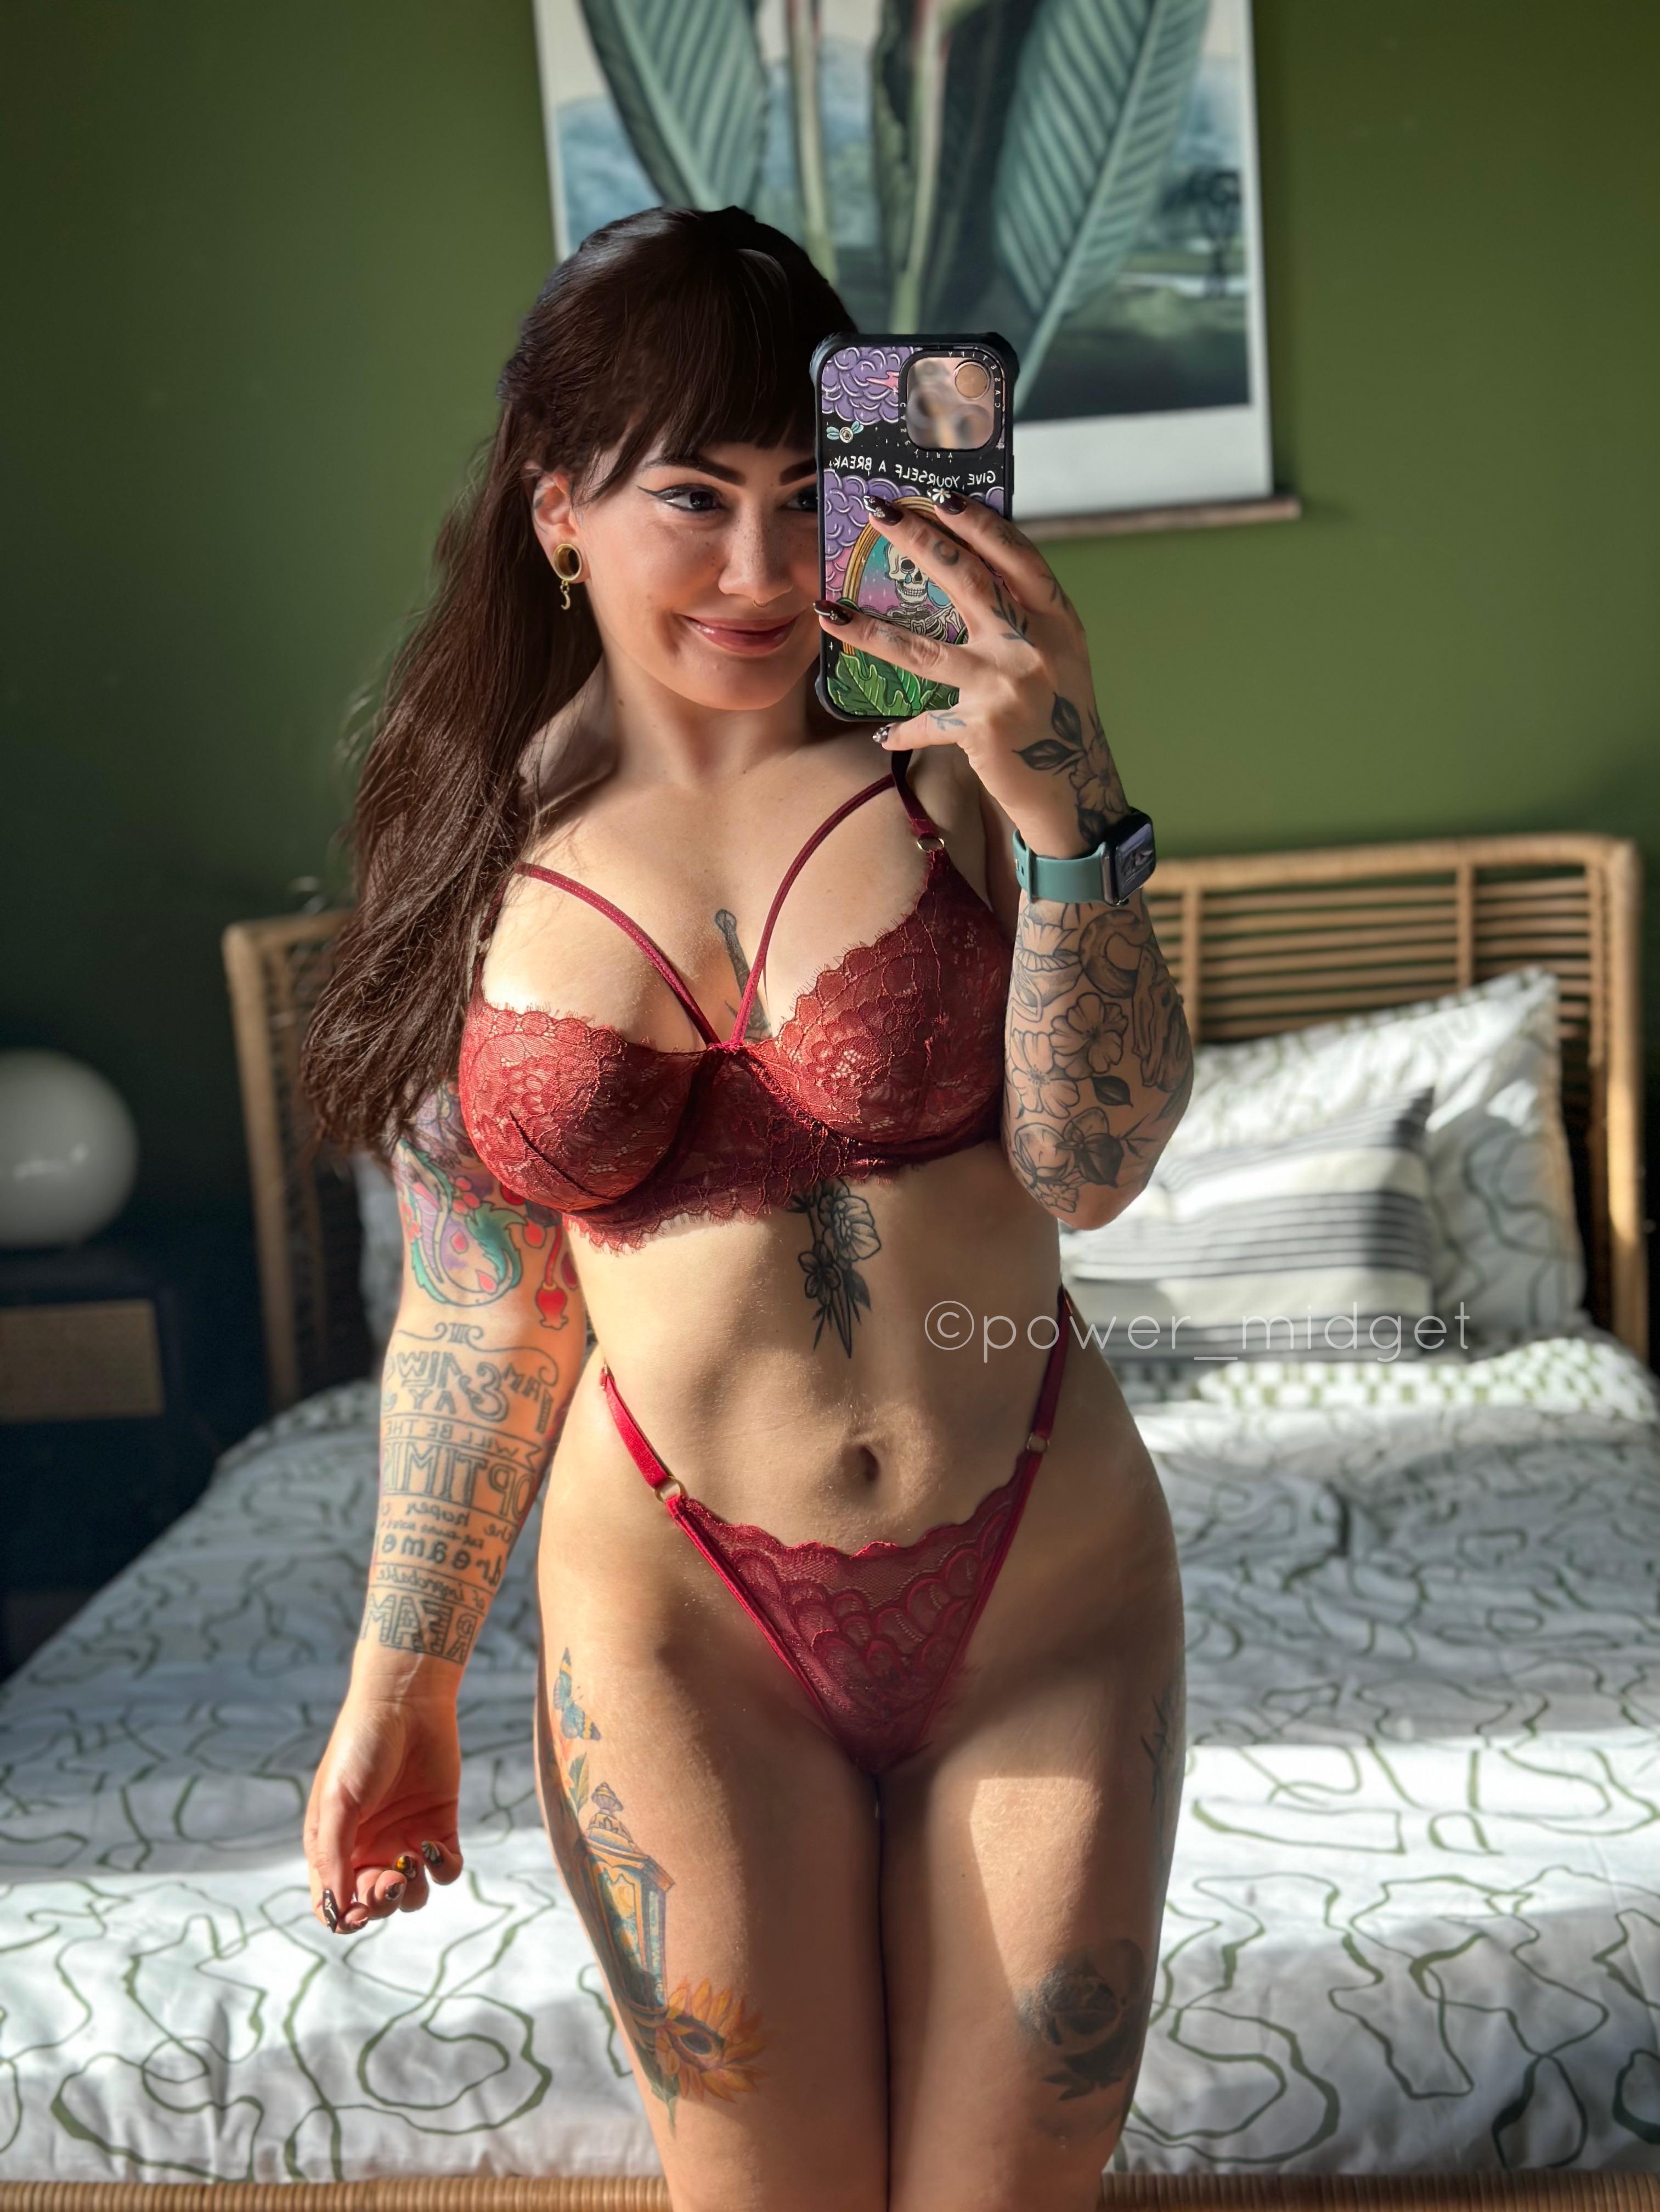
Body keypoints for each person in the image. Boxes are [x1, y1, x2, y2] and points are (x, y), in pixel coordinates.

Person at [300, 205, 1192, 2212]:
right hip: (677, 1628)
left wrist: (1066, 804)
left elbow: (1098, 1163)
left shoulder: (958, 760)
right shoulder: (467, 848)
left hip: (1040, 1596)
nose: (765, 570)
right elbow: (481, 1304)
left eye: (806, 495)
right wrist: (399, 1683)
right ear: (558, 513)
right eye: (692, 498)